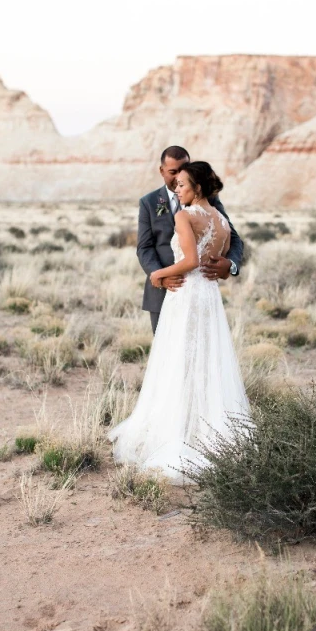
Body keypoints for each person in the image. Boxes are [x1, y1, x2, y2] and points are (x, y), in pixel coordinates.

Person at [109, 161, 250, 481]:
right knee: (201, 359)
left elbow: (192, 260)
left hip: (185, 294)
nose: (176, 188)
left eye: (182, 183)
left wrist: (159, 275)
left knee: (178, 359)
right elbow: (151, 247)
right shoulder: (218, 220)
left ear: (197, 186)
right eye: (174, 181)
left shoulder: (187, 214)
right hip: (208, 297)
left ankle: (177, 431)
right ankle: (206, 427)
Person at [137, 145, 244, 334]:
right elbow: (144, 247)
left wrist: (230, 265)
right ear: (161, 171)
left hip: (198, 292)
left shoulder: (210, 199)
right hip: (161, 291)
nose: (179, 175)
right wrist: (160, 276)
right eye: (173, 172)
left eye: (184, 169)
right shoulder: (150, 202)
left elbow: (233, 237)